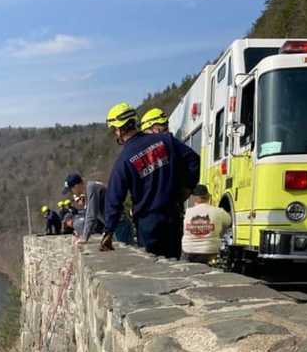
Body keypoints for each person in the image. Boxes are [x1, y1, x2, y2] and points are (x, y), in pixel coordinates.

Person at [101, 102, 200, 258]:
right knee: (173, 264)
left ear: (119, 130)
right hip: (173, 216)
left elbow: (114, 198)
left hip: (148, 224)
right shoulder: (166, 140)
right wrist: (187, 188)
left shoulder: (124, 161)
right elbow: (194, 160)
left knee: (155, 269)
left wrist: (108, 231)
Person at [181, 184, 232, 264]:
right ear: (208, 196)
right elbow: (229, 222)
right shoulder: (219, 211)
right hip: (209, 251)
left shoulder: (187, 212)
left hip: (189, 250)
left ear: (194, 198)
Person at [63, 172, 106, 244]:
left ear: (76, 186)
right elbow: (88, 214)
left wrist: (85, 237)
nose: (71, 193)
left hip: (119, 225)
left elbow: (91, 215)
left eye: (71, 190)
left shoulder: (91, 188)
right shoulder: (89, 189)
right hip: (113, 225)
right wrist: (78, 231)